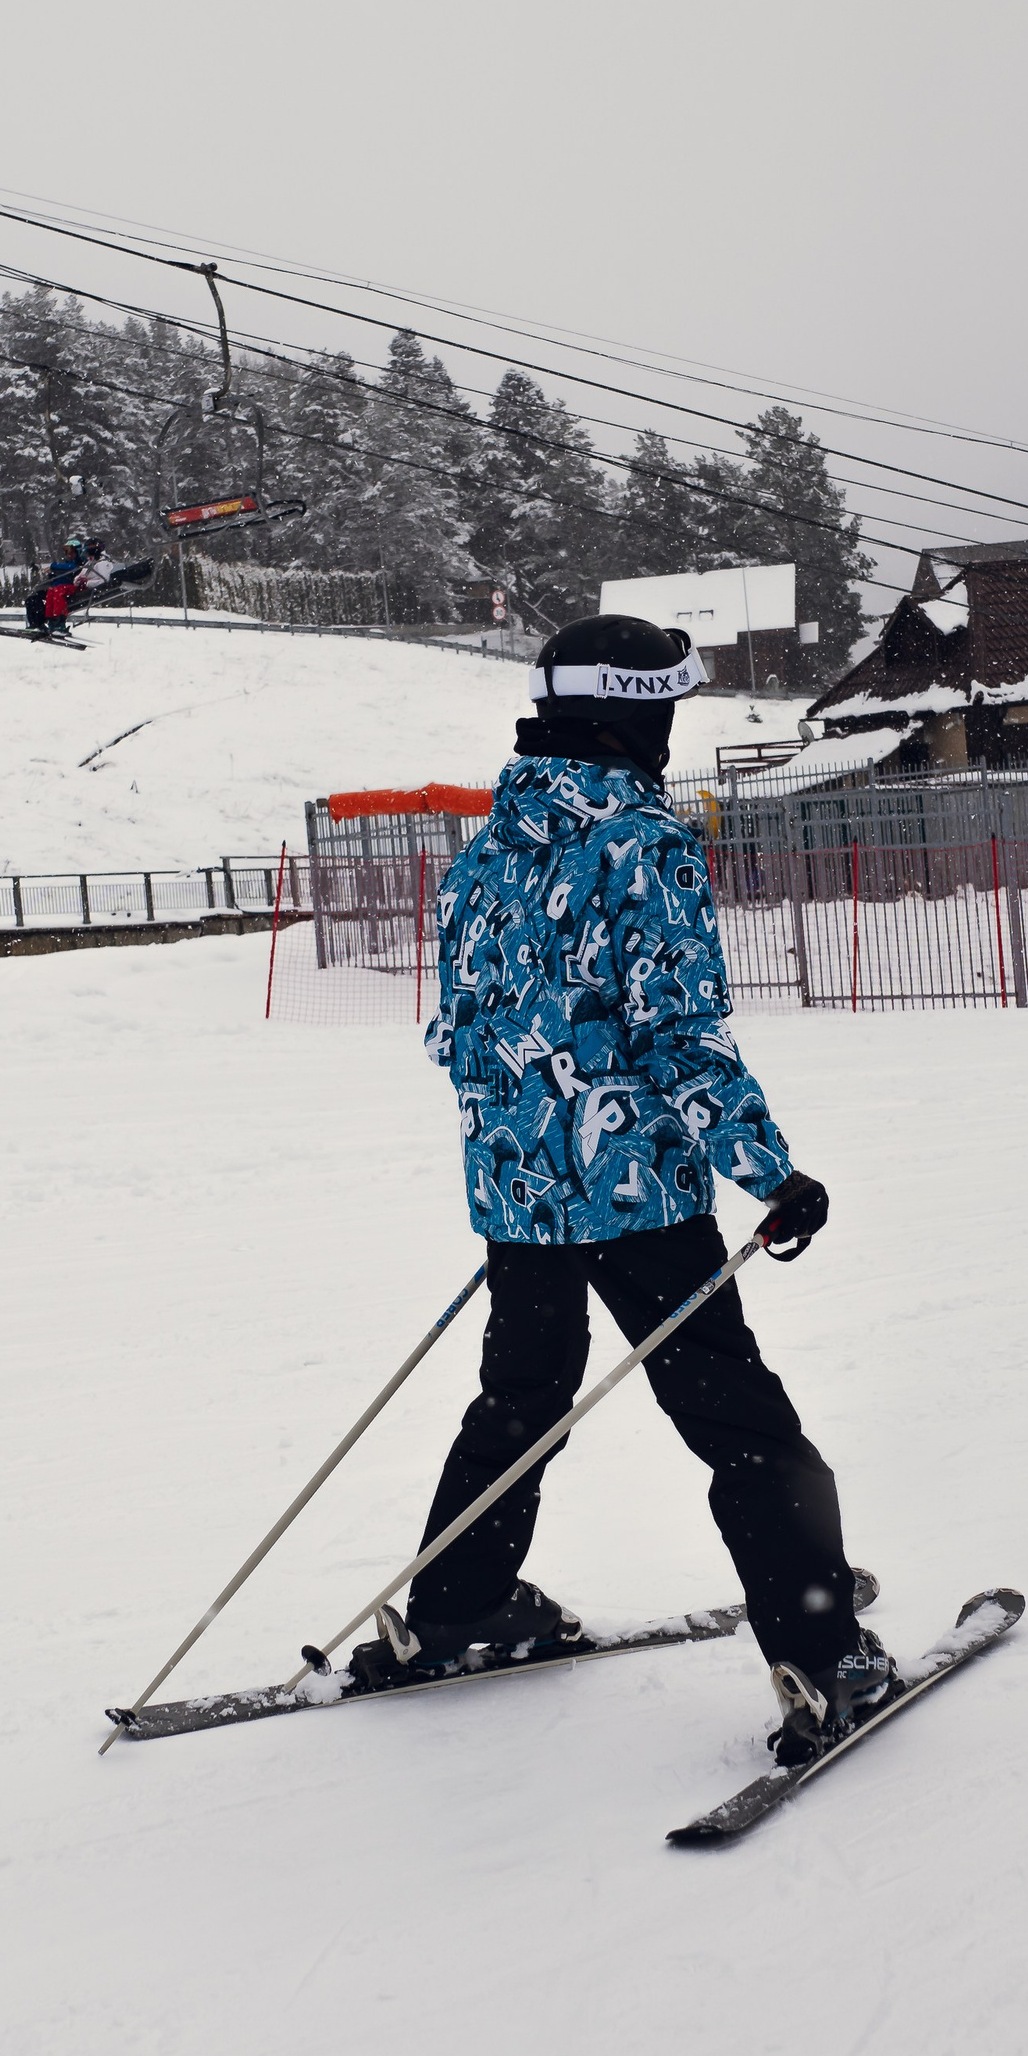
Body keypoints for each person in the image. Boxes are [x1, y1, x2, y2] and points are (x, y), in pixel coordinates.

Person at [383, 610, 887, 1764]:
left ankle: (459, 1602)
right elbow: (676, 1035)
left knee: (522, 1396)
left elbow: (454, 1030)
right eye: (661, 709)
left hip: (519, 1192)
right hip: (637, 1197)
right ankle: (824, 1652)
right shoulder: (641, 841)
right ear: (626, 712)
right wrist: (770, 1169)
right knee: (740, 1422)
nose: (667, 732)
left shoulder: (487, 847)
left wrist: (527, 1157)